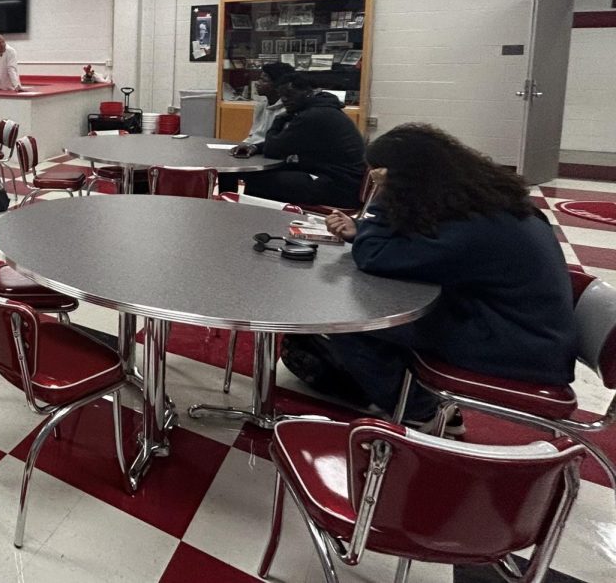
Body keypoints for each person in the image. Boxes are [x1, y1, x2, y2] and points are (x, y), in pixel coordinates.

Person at [287, 124, 577, 429]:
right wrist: (361, 232)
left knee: (351, 320)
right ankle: (409, 396)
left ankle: (420, 412)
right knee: (381, 309)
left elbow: (373, 257)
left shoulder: (475, 229)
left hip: (515, 348)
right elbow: (427, 241)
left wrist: (380, 200)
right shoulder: (486, 203)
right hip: (525, 332)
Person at [225, 73, 365, 208]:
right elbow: (287, 142)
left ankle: (252, 219)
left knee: (256, 180)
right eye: (282, 96)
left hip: (338, 188)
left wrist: (280, 119)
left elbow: (273, 150)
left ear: (308, 92)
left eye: (290, 94)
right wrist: (256, 147)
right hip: (339, 180)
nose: (285, 100)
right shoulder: (322, 109)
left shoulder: (313, 116)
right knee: (261, 176)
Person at [229, 62, 293, 156]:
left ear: (277, 84)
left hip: (268, 153)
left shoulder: (287, 110)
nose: (257, 84)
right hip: (251, 151)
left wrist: (253, 147)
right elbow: (252, 135)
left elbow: (281, 144)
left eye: (263, 80)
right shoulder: (260, 106)